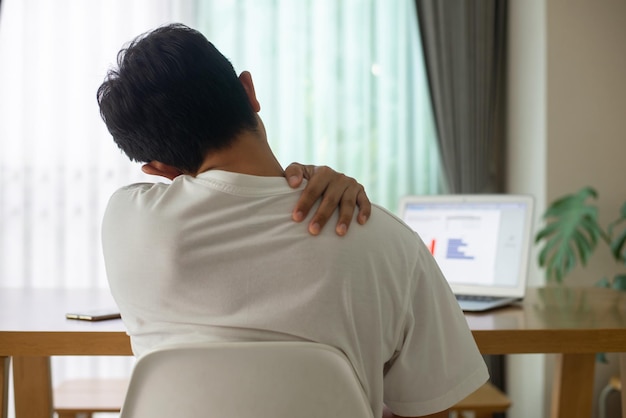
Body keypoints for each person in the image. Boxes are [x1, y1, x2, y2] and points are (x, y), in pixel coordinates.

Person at [98, 23, 488, 418]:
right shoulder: (387, 241)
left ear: (158, 168)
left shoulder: (125, 224)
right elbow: (431, 407)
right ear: (249, 91)